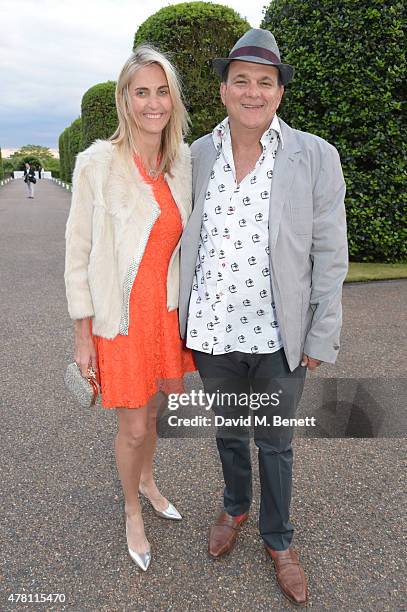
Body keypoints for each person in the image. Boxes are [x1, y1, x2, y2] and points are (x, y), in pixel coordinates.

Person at [179, 29, 348, 606]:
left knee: (275, 441)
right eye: (242, 81)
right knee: (228, 431)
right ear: (224, 90)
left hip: (280, 332)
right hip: (213, 328)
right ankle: (235, 507)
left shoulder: (316, 155)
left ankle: (279, 539)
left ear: (279, 92)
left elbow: (330, 251)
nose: (254, 92)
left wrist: (323, 329)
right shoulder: (196, 154)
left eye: (265, 82)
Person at [64, 45, 195, 572]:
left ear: (173, 100)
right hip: (119, 321)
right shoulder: (97, 164)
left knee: (155, 412)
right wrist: (82, 335)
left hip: (164, 316)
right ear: (125, 99)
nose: (153, 103)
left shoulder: (182, 164)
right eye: (141, 92)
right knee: (134, 427)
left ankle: (148, 480)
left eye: (162, 91)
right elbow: (77, 251)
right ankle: (130, 511)